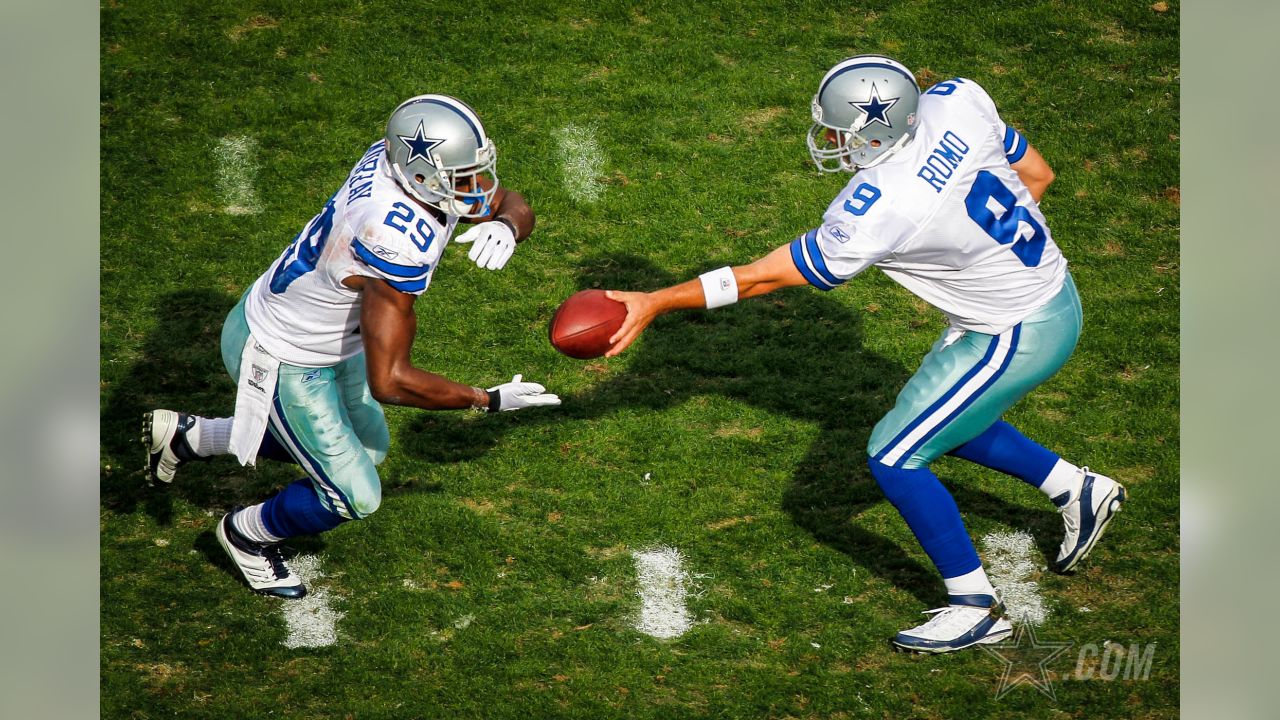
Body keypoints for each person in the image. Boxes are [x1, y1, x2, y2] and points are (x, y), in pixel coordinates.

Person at [604, 56, 1125, 653]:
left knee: (895, 456)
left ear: (877, 130)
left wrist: (654, 302)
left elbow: (758, 279)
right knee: (944, 420)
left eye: (839, 132)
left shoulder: (879, 206)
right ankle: (1076, 488)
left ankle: (975, 606)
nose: (829, 142)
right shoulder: (957, 100)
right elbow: (1037, 175)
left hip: (1014, 331)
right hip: (1053, 291)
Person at [144, 94, 561, 599]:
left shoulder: (395, 161)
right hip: (283, 354)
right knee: (354, 494)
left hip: (316, 331)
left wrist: (508, 225)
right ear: (421, 178)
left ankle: (191, 438)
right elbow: (392, 381)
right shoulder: (394, 237)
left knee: (369, 448)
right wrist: (486, 400)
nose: (476, 190)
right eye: (461, 178)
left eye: (475, 172)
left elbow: (505, 201)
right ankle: (246, 534)